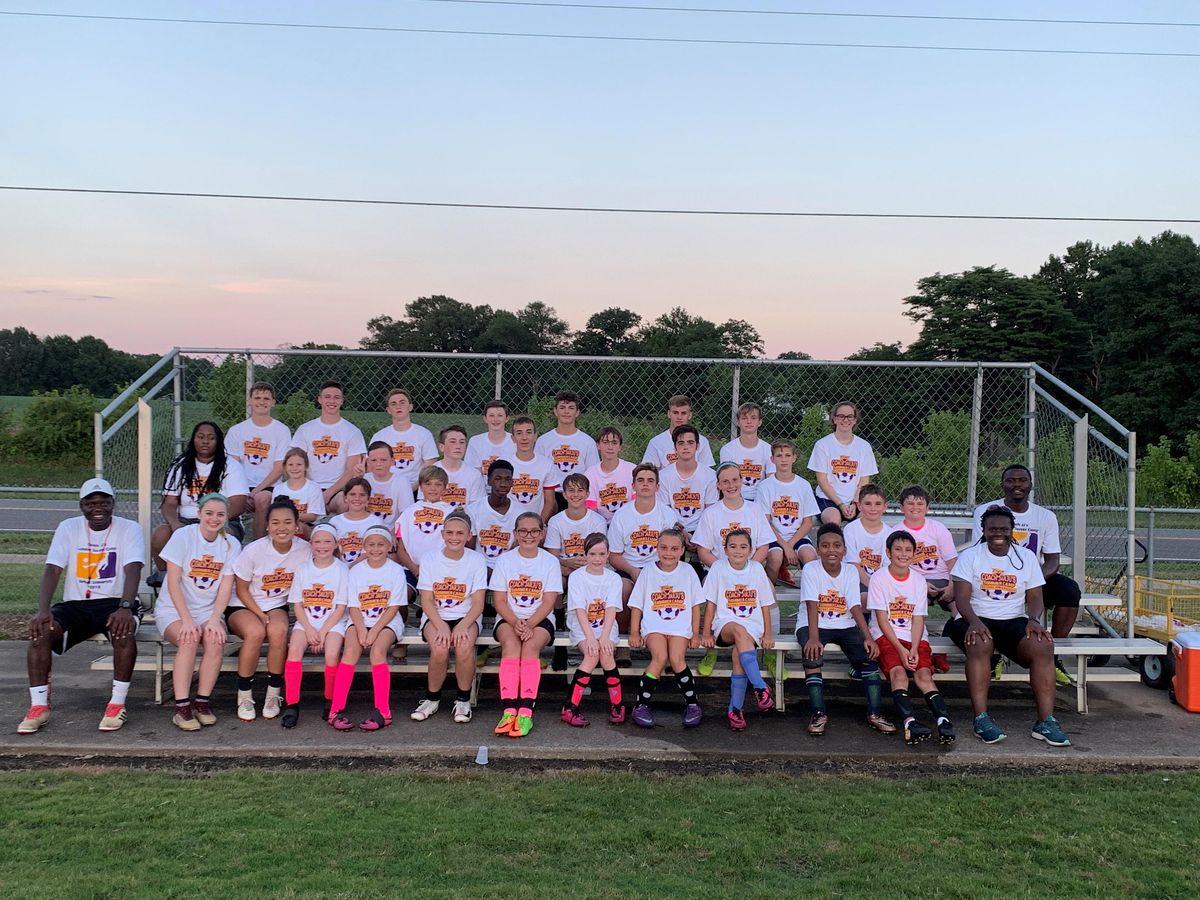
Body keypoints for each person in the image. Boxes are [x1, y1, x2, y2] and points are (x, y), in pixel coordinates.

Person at [19, 478, 144, 735]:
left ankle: (116, 704)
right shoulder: (68, 527)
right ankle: (39, 706)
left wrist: (126, 606)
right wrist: (43, 610)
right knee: (41, 631)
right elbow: (53, 569)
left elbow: (133, 568)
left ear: (113, 504)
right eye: (91, 503)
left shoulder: (129, 528)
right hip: (76, 604)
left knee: (123, 629)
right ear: (82, 506)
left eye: (104, 502)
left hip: (114, 601)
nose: (97, 508)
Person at [946, 505, 1070, 747]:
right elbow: (961, 597)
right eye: (992, 529)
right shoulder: (971, 556)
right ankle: (981, 719)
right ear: (983, 530)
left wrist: (1033, 620)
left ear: (1013, 531)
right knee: (981, 642)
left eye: (1004, 528)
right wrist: (974, 622)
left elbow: (1035, 597)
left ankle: (1045, 721)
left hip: (1013, 619)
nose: (998, 533)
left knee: (1042, 645)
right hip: (973, 618)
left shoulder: (1026, 558)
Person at [971, 463, 1081, 684]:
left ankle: (1052, 652)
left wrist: (1030, 581)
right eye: (1011, 480)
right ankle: (994, 654)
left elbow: (1052, 561)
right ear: (1002, 484)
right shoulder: (986, 511)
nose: (1016, 485)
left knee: (1069, 590)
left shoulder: (1045, 516)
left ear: (1030, 484)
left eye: (1022, 480)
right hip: (993, 576)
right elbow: (979, 551)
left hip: (1033, 577)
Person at [798, 523, 894, 736]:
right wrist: (813, 638)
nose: (831, 550)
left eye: (836, 545)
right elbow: (812, 605)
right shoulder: (811, 569)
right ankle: (818, 713)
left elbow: (854, 606)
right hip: (813, 624)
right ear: (817, 548)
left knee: (869, 657)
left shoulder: (851, 571)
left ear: (844, 549)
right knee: (812, 655)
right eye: (825, 545)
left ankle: (875, 713)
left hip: (844, 623)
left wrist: (868, 637)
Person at [156, 493, 240, 731]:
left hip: (207, 611)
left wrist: (214, 619)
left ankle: (202, 702)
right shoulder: (183, 536)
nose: (214, 519)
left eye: (220, 514)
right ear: (199, 514)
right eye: (209, 513)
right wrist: (186, 620)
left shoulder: (231, 544)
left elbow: (226, 585)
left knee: (215, 639)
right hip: (174, 609)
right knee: (189, 638)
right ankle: (182, 707)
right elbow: (173, 582)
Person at [867, 530, 955, 746]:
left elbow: (917, 619)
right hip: (886, 636)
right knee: (899, 674)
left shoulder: (918, 580)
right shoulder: (879, 578)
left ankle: (943, 720)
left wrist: (914, 649)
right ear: (888, 552)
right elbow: (882, 619)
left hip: (914, 637)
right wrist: (901, 650)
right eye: (898, 549)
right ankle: (910, 722)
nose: (903, 554)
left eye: (908, 550)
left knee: (924, 674)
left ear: (914, 554)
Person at [230, 497, 312, 722]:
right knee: (255, 632)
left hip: (275, 604)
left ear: (297, 525)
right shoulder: (254, 550)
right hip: (243, 604)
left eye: (287, 522)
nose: (281, 528)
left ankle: (273, 694)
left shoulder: (305, 550)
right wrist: (259, 614)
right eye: (275, 522)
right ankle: (244, 695)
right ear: (267, 525)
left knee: (278, 632)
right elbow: (242, 589)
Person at [410, 509, 489, 724]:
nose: (455, 538)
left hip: (467, 616)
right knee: (439, 647)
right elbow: (426, 600)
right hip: (437, 616)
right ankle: (432, 699)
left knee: (464, 647)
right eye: (450, 533)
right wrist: (441, 626)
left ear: (469, 535)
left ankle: (463, 700)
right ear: (443, 534)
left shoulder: (476, 560)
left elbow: (479, 602)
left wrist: (463, 625)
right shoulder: (430, 559)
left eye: (460, 533)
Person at [328, 524, 409, 731]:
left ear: (389, 546)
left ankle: (383, 711)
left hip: (387, 621)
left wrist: (373, 631)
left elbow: (393, 607)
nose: (376, 549)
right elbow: (353, 605)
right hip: (360, 618)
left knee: (378, 651)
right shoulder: (356, 571)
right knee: (350, 651)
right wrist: (362, 628)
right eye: (371, 544)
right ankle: (335, 709)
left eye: (381, 544)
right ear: (364, 546)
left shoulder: (396, 570)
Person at [490, 512, 563, 738]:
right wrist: (515, 622)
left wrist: (530, 624)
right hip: (509, 617)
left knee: (530, 647)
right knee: (511, 646)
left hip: (540, 619)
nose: (528, 535)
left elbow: (550, 601)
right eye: (523, 530)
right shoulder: (505, 560)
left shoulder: (550, 562)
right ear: (515, 533)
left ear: (542, 534)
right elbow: (499, 600)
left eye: (534, 531)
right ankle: (509, 710)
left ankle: (525, 711)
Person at [700, 529, 776, 732]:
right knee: (739, 630)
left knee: (738, 656)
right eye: (733, 546)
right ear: (725, 550)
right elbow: (711, 604)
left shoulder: (757, 569)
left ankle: (735, 709)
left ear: (751, 550)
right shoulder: (718, 567)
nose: (738, 551)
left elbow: (765, 605)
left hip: (753, 624)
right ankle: (760, 687)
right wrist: (706, 632)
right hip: (725, 624)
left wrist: (767, 634)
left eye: (743, 547)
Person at [628, 527, 704, 729]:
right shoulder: (648, 572)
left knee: (677, 659)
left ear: (682, 551)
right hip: (654, 625)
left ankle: (693, 704)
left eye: (674, 548)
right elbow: (636, 605)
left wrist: (696, 633)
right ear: (656, 548)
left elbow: (696, 606)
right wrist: (634, 631)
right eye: (663, 548)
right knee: (660, 657)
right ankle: (641, 705)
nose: (668, 553)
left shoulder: (688, 572)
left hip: (680, 626)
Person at [152, 421, 248, 570]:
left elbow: (238, 503)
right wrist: (175, 524)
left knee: (226, 535)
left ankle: (220, 579)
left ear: (218, 441)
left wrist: (213, 521)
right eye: (200, 437)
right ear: (193, 439)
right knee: (160, 534)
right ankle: (165, 578)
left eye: (211, 438)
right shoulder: (180, 465)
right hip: (185, 521)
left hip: (222, 521)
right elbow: (169, 503)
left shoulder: (231, 466)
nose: (205, 441)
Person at [280, 522, 349, 728]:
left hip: (333, 622)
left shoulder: (342, 569)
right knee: (293, 651)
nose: (322, 546)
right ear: (311, 544)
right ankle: (292, 704)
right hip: (307, 622)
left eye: (327, 541)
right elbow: (297, 604)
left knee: (331, 653)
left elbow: (340, 607)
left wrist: (323, 631)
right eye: (317, 541)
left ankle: (330, 700)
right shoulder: (303, 569)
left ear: (336, 544)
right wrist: (310, 630)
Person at [560, 533, 625, 727]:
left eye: (602, 554)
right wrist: (590, 638)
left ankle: (618, 705)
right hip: (582, 626)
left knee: (606, 654)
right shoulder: (577, 577)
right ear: (585, 554)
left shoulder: (614, 578)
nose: (597, 559)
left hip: (606, 626)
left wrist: (604, 637)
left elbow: (612, 608)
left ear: (608, 555)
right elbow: (579, 609)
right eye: (592, 553)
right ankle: (570, 707)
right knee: (591, 653)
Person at [607, 464, 683, 608]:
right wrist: (632, 571)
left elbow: (673, 550)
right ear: (633, 485)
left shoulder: (667, 514)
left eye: (650, 480)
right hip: (629, 568)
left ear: (657, 486)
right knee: (622, 589)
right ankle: (623, 630)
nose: (645, 484)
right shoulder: (621, 515)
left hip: (659, 568)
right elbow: (613, 555)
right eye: (641, 480)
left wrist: (654, 573)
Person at [226, 381, 292, 537]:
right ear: (249, 401)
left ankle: (257, 546)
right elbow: (232, 466)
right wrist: (243, 492)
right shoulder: (237, 431)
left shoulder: (281, 431)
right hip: (241, 485)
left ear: (273, 402)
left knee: (262, 500)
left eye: (266, 398)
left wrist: (254, 493)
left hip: (268, 486)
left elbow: (279, 469)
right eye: (257, 398)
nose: (261, 402)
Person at [289, 381, 366, 515]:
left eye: (336, 397)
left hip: (337, 490)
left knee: (346, 503)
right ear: (319, 399)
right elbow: (296, 463)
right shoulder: (305, 430)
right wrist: (312, 490)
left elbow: (351, 470)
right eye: (327, 397)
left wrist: (328, 493)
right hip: (308, 486)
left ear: (342, 401)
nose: (332, 401)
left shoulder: (352, 432)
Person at [756, 439, 820, 585]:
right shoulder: (765, 487)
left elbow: (807, 522)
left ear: (794, 458)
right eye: (779, 456)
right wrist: (784, 546)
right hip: (773, 537)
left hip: (796, 536)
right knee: (775, 557)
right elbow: (765, 523)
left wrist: (790, 544)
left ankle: (808, 598)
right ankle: (769, 596)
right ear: (772, 459)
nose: (783, 459)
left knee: (810, 556)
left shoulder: (803, 485)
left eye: (787, 455)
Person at [889, 486, 957, 613]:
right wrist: (920, 584)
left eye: (920, 503)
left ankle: (957, 628)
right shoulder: (896, 532)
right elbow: (896, 566)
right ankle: (918, 632)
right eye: (910, 503)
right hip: (913, 580)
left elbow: (951, 561)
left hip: (942, 579)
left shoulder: (938, 528)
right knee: (914, 606)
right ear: (901, 507)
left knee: (959, 606)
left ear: (927, 508)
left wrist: (952, 586)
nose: (915, 507)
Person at [808, 401, 878, 525]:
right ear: (834, 419)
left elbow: (864, 481)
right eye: (841, 416)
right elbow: (822, 481)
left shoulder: (864, 446)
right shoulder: (823, 445)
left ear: (855, 420)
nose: (846, 420)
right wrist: (840, 504)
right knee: (834, 520)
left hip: (854, 501)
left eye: (850, 416)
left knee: (867, 520)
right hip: (829, 500)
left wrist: (855, 503)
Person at [693, 462, 772, 568]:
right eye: (725, 482)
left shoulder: (755, 509)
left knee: (769, 585)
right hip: (719, 572)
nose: (731, 485)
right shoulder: (710, 513)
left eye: (735, 480)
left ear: (741, 480)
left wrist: (749, 569)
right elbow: (703, 551)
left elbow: (763, 546)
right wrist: (725, 570)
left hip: (750, 570)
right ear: (718, 485)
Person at [535, 390, 600, 510]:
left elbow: (593, 474)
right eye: (562, 407)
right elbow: (538, 472)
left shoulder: (587, 442)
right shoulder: (543, 441)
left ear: (577, 412)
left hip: (578, 496)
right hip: (551, 495)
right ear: (555, 411)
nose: (566, 411)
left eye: (571, 408)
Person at [393, 465, 454, 583]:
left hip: (441, 569)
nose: (433, 488)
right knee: (403, 594)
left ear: (445, 488)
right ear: (420, 487)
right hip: (411, 569)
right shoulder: (409, 512)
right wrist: (416, 571)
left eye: (438, 484)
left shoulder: (451, 513)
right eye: (428, 484)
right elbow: (401, 550)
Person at [369, 388, 439, 489]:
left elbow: (430, 467)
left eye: (402, 402)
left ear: (410, 407)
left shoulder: (423, 434)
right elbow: (371, 467)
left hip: (416, 488)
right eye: (393, 404)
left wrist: (411, 488)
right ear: (388, 410)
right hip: (386, 488)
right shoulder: (379, 437)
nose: (398, 406)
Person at [657, 425, 719, 540]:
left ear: (698, 446)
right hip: (673, 529)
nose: (686, 447)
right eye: (681, 443)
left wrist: (699, 536)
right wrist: (684, 534)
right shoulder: (663, 476)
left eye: (690, 442)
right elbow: (665, 514)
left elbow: (710, 512)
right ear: (675, 447)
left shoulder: (710, 475)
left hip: (702, 529)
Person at [467, 460, 519, 571]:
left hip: (508, 568)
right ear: (489, 480)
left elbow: (518, 550)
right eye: (497, 479)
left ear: (512, 483)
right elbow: (469, 551)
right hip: (479, 567)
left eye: (507, 479)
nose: (503, 484)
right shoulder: (473, 510)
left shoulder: (520, 513)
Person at [718, 402, 775, 502]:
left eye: (753, 418)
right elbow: (726, 481)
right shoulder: (727, 449)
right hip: (735, 499)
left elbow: (771, 482)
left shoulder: (768, 449)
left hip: (760, 500)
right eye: (744, 418)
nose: (749, 421)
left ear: (760, 422)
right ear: (738, 422)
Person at [643, 394, 716, 469]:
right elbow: (649, 472)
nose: (679, 417)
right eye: (675, 413)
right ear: (669, 414)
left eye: (683, 413)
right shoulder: (656, 443)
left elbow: (707, 472)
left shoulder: (702, 441)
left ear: (690, 415)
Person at [509, 416, 559, 524]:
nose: (524, 438)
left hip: (536, 522)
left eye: (529, 432)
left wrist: (539, 524)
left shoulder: (546, 464)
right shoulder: (504, 463)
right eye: (519, 433)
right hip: (509, 523)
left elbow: (549, 501)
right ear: (512, 438)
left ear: (535, 436)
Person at [266, 447, 325, 536]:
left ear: (306, 466)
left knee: (297, 526)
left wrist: (290, 516)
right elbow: (275, 513)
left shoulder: (313, 487)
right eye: (290, 465)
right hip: (284, 524)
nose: (295, 468)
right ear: (285, 467)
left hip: (307, 526)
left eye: (299, 464)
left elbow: (312, 517)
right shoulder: (279, 489)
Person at [583, 426, 636, 522]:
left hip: (628, 521)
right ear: (598, 445)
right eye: (605, 442)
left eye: (614, 443)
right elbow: (591, 510)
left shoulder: (632, 470)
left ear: (620, 446)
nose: (610, 447)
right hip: (601, 524)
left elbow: (637, 503)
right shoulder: (590, 474)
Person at [842, 483, 889, 589]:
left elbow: (888, 566)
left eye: (878, 504)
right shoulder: (851, 529)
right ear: (859, 505)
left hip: (881, 582)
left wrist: (879, 586)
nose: (873, 508)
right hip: (856, 580)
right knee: (864, 598)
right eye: (868, 504)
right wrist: (871, 586)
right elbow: (852, 563)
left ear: (885, 506)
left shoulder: (889, 533)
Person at [363, 440, 416, 533]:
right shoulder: (364, 479)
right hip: (367, 530)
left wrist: (394, 533)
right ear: (368, 462)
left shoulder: (401, 481)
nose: (378, 464)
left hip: (392, 529)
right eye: (374, 460)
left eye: (383, 460)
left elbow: (406, 515)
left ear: (392, 461)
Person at [434, 424, 486, 509]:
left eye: (462, 442)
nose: (458, 446)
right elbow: (426, 505)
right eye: (453, 442)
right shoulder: (431, 473)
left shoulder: (474, 475)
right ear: (441, 447)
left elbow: (477, 508)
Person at [465, 399, 517, 478]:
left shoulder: (515, 441)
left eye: (500, 415)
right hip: (481, 488)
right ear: (485, 418)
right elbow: (472, 473)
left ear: (507, 418)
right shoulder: (475, 441)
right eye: (491, 415)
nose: (495, 419)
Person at [328, 477, 373, 565]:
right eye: (352, 494)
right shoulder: (334, 522)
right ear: (345, 498)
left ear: (368, 499)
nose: (357, 498)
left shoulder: (375, 522)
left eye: (362, 495)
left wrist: (352, 567)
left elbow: (373, 551)